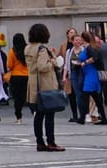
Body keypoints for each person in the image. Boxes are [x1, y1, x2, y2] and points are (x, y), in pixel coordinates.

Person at [25, 24, 65, 152]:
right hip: (45, 84)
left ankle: (39, 142)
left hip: (33, 84)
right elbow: (43, 67)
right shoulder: (42, 49)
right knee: (49, 115)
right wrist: (53, 61)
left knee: (38, 115)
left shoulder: (28, 48)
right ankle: (51, 142)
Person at [7, 33, 31, 123]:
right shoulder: (28, 50)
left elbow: (9, 65)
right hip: (27, 75)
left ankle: (19, 118)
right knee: (28, 96)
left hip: (16, 76)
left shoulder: (12, 51)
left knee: (17, 98)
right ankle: (34, 112)